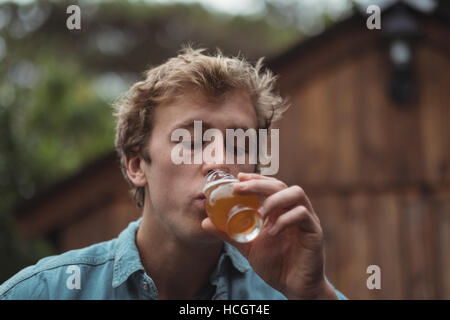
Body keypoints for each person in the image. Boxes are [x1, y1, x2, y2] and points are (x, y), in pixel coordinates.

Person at [0, 46, 347, 300]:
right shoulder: (45, 292)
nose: (219, 161)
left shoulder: (285, 292)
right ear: (137, 164)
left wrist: (314, 294)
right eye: (193, 141)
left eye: (240, 145)